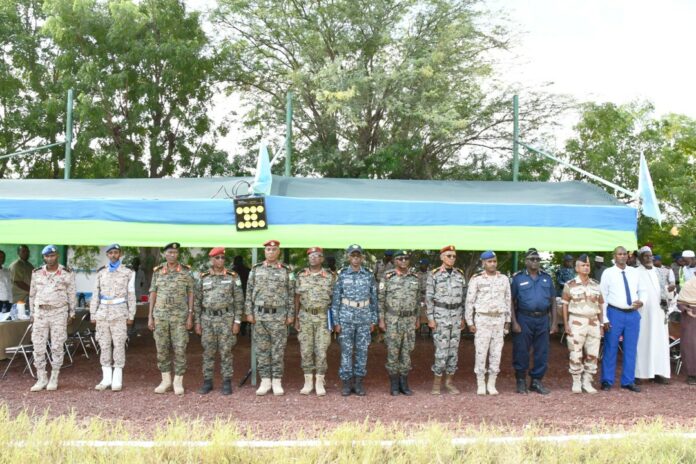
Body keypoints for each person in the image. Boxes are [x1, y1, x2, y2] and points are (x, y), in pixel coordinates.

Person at [245, 240, 295, 396]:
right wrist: (249, 312)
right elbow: (249, 291)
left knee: (278, 350)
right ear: (264, 252)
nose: (271, 252)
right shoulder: (256, 269)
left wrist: (291, 314)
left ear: (278, 252)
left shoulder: (287, 270)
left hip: (279, 315)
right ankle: (265, 381)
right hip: (260, 315)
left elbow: (291, 293)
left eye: (274, 249)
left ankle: (277, 381)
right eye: (268, 249)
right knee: (262, 350)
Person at [194, 248, 244, 395]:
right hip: (207, 319)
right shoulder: (203, 278)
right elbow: (197, 301)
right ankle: (207, 382)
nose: (220, 260)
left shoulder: (233, 277)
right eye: (217, 258)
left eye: (223, 258)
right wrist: (197, 322)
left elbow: (239, 301)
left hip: (226, 319)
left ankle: (226, 382)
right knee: (208, 352)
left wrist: (237, 322)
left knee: (226, 351)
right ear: (211, 260)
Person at [331, 244, 378, 397]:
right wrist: (336, 321)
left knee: (362, 351)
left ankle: (358, 382)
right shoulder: (342, 275)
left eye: (358, 256)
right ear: (348, 257)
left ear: (362, 258)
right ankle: (346, 383)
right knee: (346, 351)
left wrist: (373, 320)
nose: (356, 258)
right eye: (353, 255)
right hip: (346, 317)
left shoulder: (369, 275)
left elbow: (374, 299)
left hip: (364, 317)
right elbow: (336, 299)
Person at [148, 242, 194, 395]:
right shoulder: (158, 271)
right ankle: (166, 380)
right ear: (165, 254)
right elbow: (153, 293)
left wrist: (190, 315)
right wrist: (150, 317)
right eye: (169, 252)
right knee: (161, 349)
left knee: (180, 349)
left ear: (178, 254)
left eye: (175, 252)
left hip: (179, 317)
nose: (172, 255)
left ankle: (178, 381)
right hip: (160, 317)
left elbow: (191, 293)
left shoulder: (186, 272)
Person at [28, 245, 76, 392]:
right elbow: (32, 294)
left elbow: (72, 293)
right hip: (41, 313)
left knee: (57, 345)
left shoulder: (66, 273)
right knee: (38, 345)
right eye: (47, 256)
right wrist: (32, 313)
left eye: (53, 255)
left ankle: (54, 376)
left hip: (58, 313)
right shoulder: (36, 273)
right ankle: (41, 377)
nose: (50, 258)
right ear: (44, 257)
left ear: (57, 256)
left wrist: (72, 313)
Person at [90, 244, 136, 392]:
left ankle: (117, 379)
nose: (113, 255)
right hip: (103, 312)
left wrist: (131, 314)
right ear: (107, 255)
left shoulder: (128, 272)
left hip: (119, 312)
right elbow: (95, 293)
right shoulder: (101, 272)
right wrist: (93, 313)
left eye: (116, 252)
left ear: (120, 254)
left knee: (119, 344)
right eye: (111, 253)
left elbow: (131, 294)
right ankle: (106, 378)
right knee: (104, 345)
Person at [511, 248, 558, 395]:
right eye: (532, 259)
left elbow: (553, 301)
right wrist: (514, 322)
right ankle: (520, 381)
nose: (535, 262)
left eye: (537, 259)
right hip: (524, 318)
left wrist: (555, 322)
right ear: (526, 261)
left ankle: (536, 381)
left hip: (543, 319)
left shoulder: (546, 278)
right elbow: (511, 301)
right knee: (521, 350)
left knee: (542, 352)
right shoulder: (518, 278)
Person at [465, 250, 511, 396]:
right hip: (482, 320)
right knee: (481, 352)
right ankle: (480, 383)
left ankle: (492, 383)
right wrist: (469, 321)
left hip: (499, 319)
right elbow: (469, 301)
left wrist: (507, 320)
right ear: (483, 263)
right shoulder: (476, 279)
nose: (493, 264)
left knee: (496, 352)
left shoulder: (503, 279)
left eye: (494, 261)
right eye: (489, 261)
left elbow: (508, 299)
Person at [599, 246, 644, 392]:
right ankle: (607, 381)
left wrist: (642, 301)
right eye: (620, 254)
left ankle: (628, 381)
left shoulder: (634, 272)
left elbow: (642, 290)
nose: (623, 256)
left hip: (632, 314)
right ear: (614, 256)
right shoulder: (608, 272)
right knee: (610, 347)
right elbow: (603, 296)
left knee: (631, 348)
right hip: (614, 313)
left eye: (625, 254)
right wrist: (604, 318)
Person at [378, 250, 421, 396]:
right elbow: (381, 300)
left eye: (406, 258)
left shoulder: (415, 277)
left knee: (407, 352)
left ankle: (404, 383)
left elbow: (417, 300)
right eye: (400, 258)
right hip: (393, 320)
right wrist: (381, 319)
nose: (403, 261)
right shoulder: (388, 277)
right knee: (393, 351)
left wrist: (418, 318)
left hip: (409, 320)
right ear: (395, 261)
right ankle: (394, 384)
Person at [294, 246, 335, 396]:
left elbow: (334, 300)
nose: (313, 258)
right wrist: (296, 317)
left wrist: (334, 321)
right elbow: (297, 298)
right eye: (311, 256)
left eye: (317, 255)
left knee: (321, 350)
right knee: (305, 350)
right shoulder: (301, 276)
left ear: (322, 259)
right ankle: (308, 381)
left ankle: (319, 381)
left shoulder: (330, 276)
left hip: (323, 318)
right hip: (305, 317)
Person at [426, 245, 466, 395]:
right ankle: (436, 383)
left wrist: (463, 317)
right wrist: (430, 318)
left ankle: (449, 382)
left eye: (454, 256)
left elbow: (464, 298)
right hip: (441, 316)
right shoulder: (434, 275)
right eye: (449, 256)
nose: (452, 258)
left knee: (453, 352)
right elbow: (429, 299)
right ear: (442, 257)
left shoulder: (459, 275)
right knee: (441, 351)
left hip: (456, 316)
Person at [561, 254, 604, 394]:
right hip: (576, 321)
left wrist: (602, 324)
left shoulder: (596, 285)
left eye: (588, 265)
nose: (586, 267)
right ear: (577, 268)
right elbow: (565, 305)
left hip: (593, 322)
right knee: (575, 352)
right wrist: (566, 324)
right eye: (583, 265)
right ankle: (576, 381)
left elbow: (601, 305)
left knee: (593, 353)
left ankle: (587, 381)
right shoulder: (570, 285)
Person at [634, 247, 671, 384]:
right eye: (646, 256)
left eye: (651, 256)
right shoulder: (635, 272)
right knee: (642, 341)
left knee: (660, 342)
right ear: (640, 258)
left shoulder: (660, 272)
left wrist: (668, 291)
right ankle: (639, 373)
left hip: (660, 313)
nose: (650, 258)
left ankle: (659, 372)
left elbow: (663, 291)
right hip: (642, 313)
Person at [677, 278, 696, 385]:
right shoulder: (689, 284)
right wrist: (687, 310)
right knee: (691, 345)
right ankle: (692, 374)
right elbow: (680, 302)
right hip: (691, 318)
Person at [10, 245, 33, 312]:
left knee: (27, 318)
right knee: (19, 319)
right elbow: (18, 282)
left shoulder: (29, 265)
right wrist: (32, 291)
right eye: (23, 251)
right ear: (18, 253)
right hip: (19, 299)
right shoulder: (16, 265)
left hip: (28, 297)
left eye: (27, 251)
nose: (26, 253)